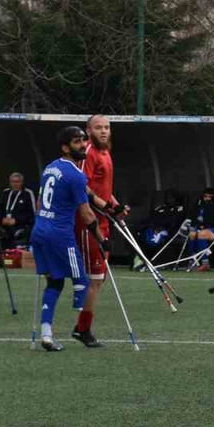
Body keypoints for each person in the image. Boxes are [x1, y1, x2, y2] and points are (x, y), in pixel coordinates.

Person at [31, 126, 110, 352]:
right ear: (65, 147)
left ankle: (46, 334)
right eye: (77, 142)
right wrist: (101, 238)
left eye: (84, 141)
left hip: (39, 231)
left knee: (54, 282)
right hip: (60, 235)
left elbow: (39, 203)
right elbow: (86, 214)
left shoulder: (50, 168)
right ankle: (80, 328)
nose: (83, 145)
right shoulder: (75, 174)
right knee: (82, 282)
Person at [74, 114, 128, 347]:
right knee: (95, 278)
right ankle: (83, 329)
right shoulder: (88, 153)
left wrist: (114, 206)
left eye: (106, 127)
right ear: (89, 130)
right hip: (89, 221)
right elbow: (82, 187)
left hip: (104, 219)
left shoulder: (106, 152)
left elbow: (104, 189)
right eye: (98, 128)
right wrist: (104, 206)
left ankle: (82, 326)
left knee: (99, 278)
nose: (103, 131)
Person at [186, 187, 214, 271]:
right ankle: (192, 260)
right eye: (205, 196)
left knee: (201, 234)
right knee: (192, 233)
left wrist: (209, 206)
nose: (207, 199)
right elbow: (192, 217)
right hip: (201, 229)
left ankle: (205, 263)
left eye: (209, 197)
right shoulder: (198, 204)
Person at [0, 172, 36, 249]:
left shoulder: (27, 193)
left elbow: (32, 214)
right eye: (13, 182)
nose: (15, 184)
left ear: (22, 182)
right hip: (5, 228)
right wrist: (1, 219)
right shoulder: (5, 192)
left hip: (21, 228)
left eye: (17, 182)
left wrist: (16, 220)